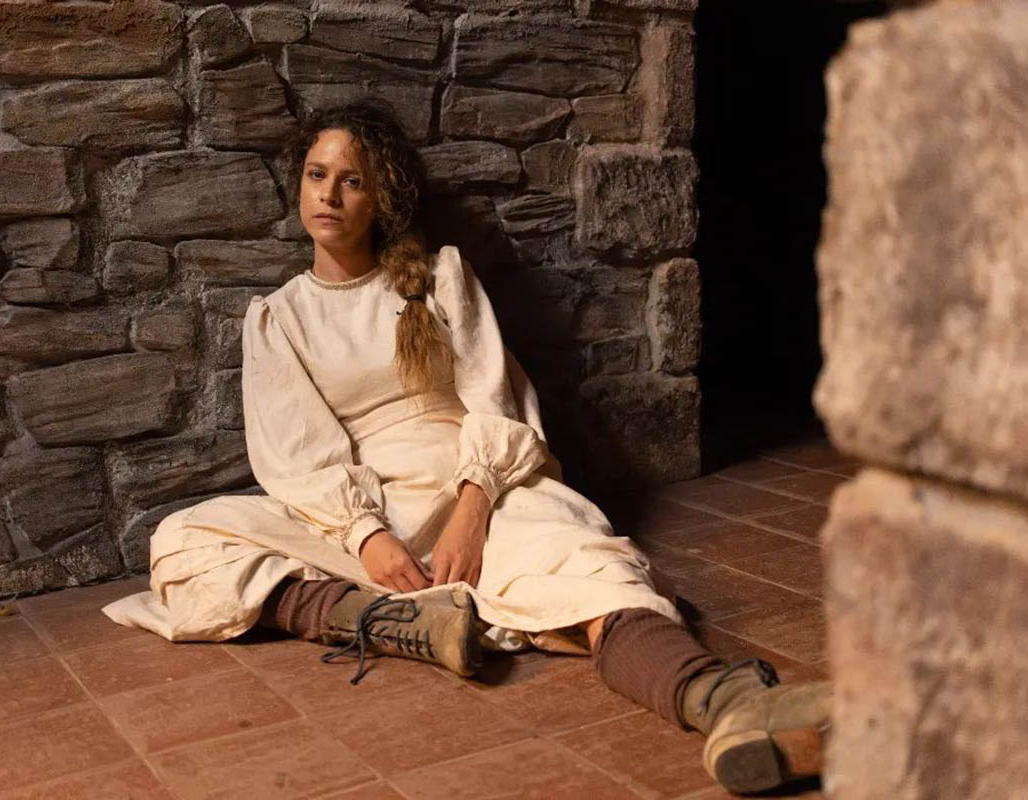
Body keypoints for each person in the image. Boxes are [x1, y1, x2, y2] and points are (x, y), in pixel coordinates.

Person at [103, 99, 829, 795]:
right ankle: (398, 622)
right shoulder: (279, 317)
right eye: (317, 175)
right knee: (185, 540)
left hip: (479, 483)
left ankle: (721, 700)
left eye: (352, 181)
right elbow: (298, 454)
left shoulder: (440, 276)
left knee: (590, 562)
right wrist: (368, 540)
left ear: (380, 199)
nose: (328, 194)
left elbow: (494, 395)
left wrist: (473, 510)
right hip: (369, 508)